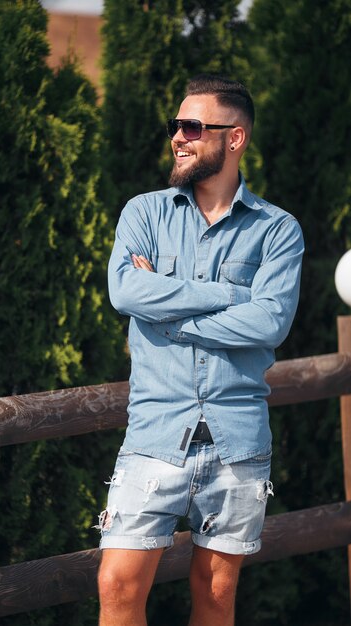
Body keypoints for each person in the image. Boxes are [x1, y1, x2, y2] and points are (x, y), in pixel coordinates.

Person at [96, 74, 304, 626]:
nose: (177, 138)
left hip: (237, 437)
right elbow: (125, 291)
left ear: (233, 138)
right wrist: (228, 297)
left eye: (192, 126)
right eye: (175, 126)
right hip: (154, 431)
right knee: (117, 584)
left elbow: (270, 321)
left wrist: (170, 320)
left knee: (215, 593)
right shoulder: (144, 214)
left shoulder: (277, 231)